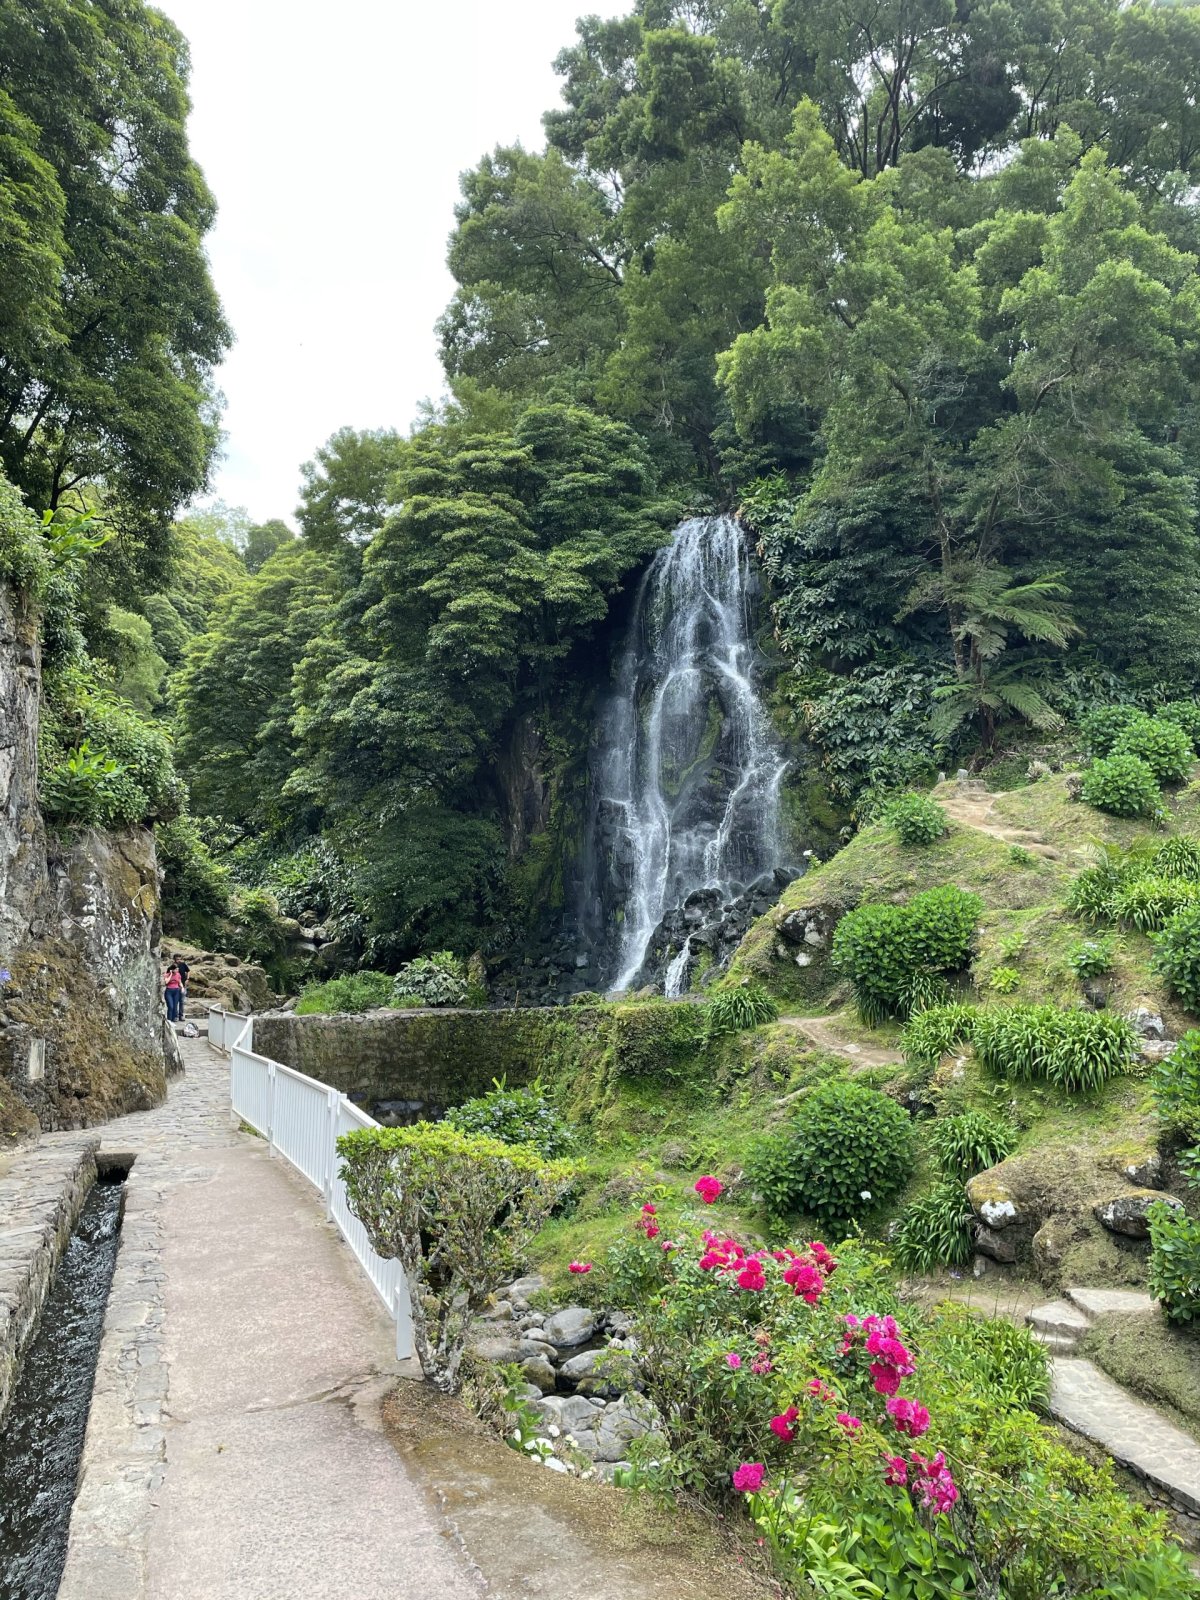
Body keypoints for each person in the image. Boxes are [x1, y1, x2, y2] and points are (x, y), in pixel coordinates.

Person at [174, 954, 190, 1019]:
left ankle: (181, 1015)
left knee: (182, 1001)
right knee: (175, 1001)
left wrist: (188, 979)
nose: (179, 960)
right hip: (175, 986)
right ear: (174, 959)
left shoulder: (183, 964)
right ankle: (175, 1015)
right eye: (177, 959)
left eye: (180, 959)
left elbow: (188, 971)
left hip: (183, 985)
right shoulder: (173, 966)